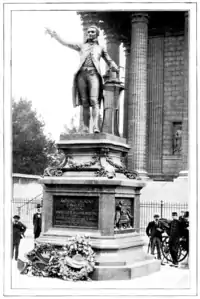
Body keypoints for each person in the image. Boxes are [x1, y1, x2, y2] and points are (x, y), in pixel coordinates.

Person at [45, 25, 119, 134]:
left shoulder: (100, 48)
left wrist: (114, 66)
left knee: (94, 101)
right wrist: (56, 36)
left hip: (94, 74)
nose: (89, 34)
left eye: (92, 32)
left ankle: (95, 127)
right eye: (88, 32)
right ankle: (84, 128)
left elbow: (108, 60)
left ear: (97, 34)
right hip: (82, 75)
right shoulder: (81, 46)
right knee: (84, 102)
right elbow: (67, 43)